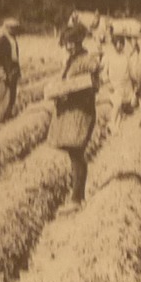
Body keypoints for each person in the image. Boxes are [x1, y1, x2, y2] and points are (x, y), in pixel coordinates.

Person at [46, 23, 102, 209]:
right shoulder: (71, 59)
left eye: (72, 42)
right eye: (66, 43)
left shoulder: (85, 59)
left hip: (81, 113)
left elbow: (93, 77)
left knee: (77, 153)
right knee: (74, 154)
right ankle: (78, 196)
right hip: (73, 112)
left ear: (79, 41)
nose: (69, 46)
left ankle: (77, 198)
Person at [0, 19, 22, 120]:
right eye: (14, 28)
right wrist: (1, 70)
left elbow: (15, 57)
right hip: (5, 69)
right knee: (4, 95)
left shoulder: (13, 39)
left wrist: (18, 71)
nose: (16, 30)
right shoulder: (2, 40)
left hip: (13, 69)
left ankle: (8, 115)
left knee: (12, 95)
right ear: (8, 28)